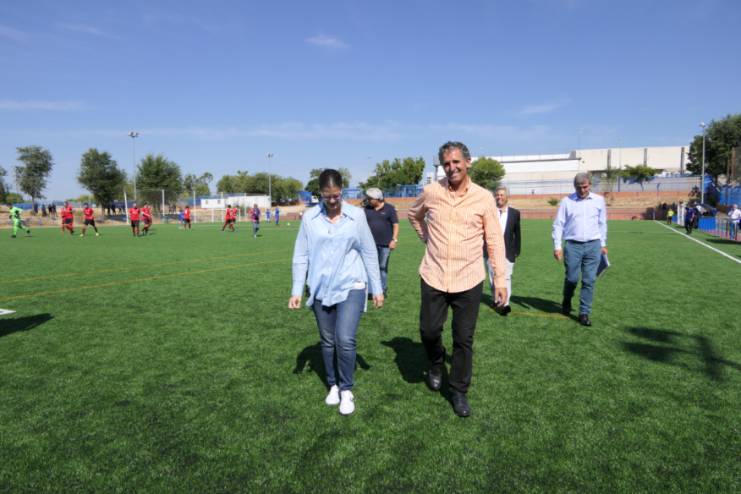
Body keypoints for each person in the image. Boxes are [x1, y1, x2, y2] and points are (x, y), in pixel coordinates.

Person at [408, 141, 507, 418]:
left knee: (463, 339)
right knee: (429, 331)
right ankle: (436, 362)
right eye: (446, 164)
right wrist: (427, 237)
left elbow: (494, 240)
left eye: (456, 162)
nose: (451, 168)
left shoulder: (484, 198)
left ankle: (459, 391)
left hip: (469, 278)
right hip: (434, 274)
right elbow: (413, 215)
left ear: (467, 162)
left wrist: (499, 280)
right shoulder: (431, 192)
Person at [288, 169, 384, 416]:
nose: (332, 200)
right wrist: (297, 289)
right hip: (320, 286)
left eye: (336, 195)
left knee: (345, 338)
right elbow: (300, 255)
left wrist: (377, 287)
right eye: (327, 195)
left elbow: (369, 251)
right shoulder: (310, 218)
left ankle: (346, 389)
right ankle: (332, 384)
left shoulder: (357, 216)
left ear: (342, 191)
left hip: (352, 283)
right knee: (328, 340)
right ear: (320, 193)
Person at [552, 173, 608, 327]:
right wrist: (557, 246)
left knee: (589, 280)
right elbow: (558, 224)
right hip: (572, 246)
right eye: (579, 187)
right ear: (574, 187)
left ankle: (584, 313)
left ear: (590, 185)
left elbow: (602, 223)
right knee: (571, 279)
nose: (582, 190)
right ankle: (567, 300)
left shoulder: (599, 200)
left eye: (585, 187)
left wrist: (603, 244)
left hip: (593, 245)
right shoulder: (567, 201)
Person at [486, 186, 521, 316]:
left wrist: (517, 250)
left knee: (506, 278)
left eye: (502, 195)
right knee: (492, 277)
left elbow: (517, 233)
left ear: (507, 197)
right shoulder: (489, 212)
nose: (499, 197)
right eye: (497, 195)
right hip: (490, 251)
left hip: (508, 252)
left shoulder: (515, 213)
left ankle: (505, 304)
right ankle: (496, 300)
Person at [363, 187, 399, 297]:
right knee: (370, 267)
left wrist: (394, 240)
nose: (368, 200)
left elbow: (395, 225)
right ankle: (371, 291)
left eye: (370, 198)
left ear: (377, 198)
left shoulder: (390, 209)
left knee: (382, 268)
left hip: (385, 244)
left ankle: (383, 290)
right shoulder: (366, 209)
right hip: (370, 245)